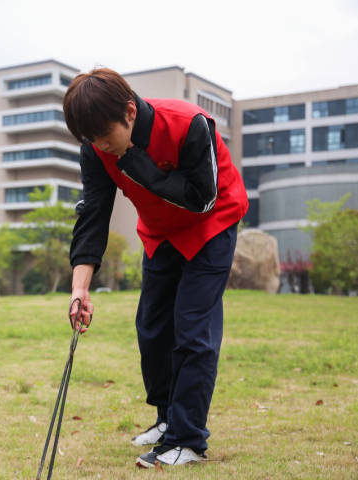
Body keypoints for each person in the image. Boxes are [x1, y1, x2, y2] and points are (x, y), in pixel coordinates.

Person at [63, 68, 248, 468]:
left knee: (192, 328)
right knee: (152, 327)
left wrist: (134, 161)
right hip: (161, 232)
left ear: (130, 112)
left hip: (211, 225)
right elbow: (93, 215)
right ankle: (167, 421)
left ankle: (189, 440)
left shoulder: (189, 125)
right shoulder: (98, 148)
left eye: (105, 137)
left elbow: (202, 198)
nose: (100, 148)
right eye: (91, 141)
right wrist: (81, 289)